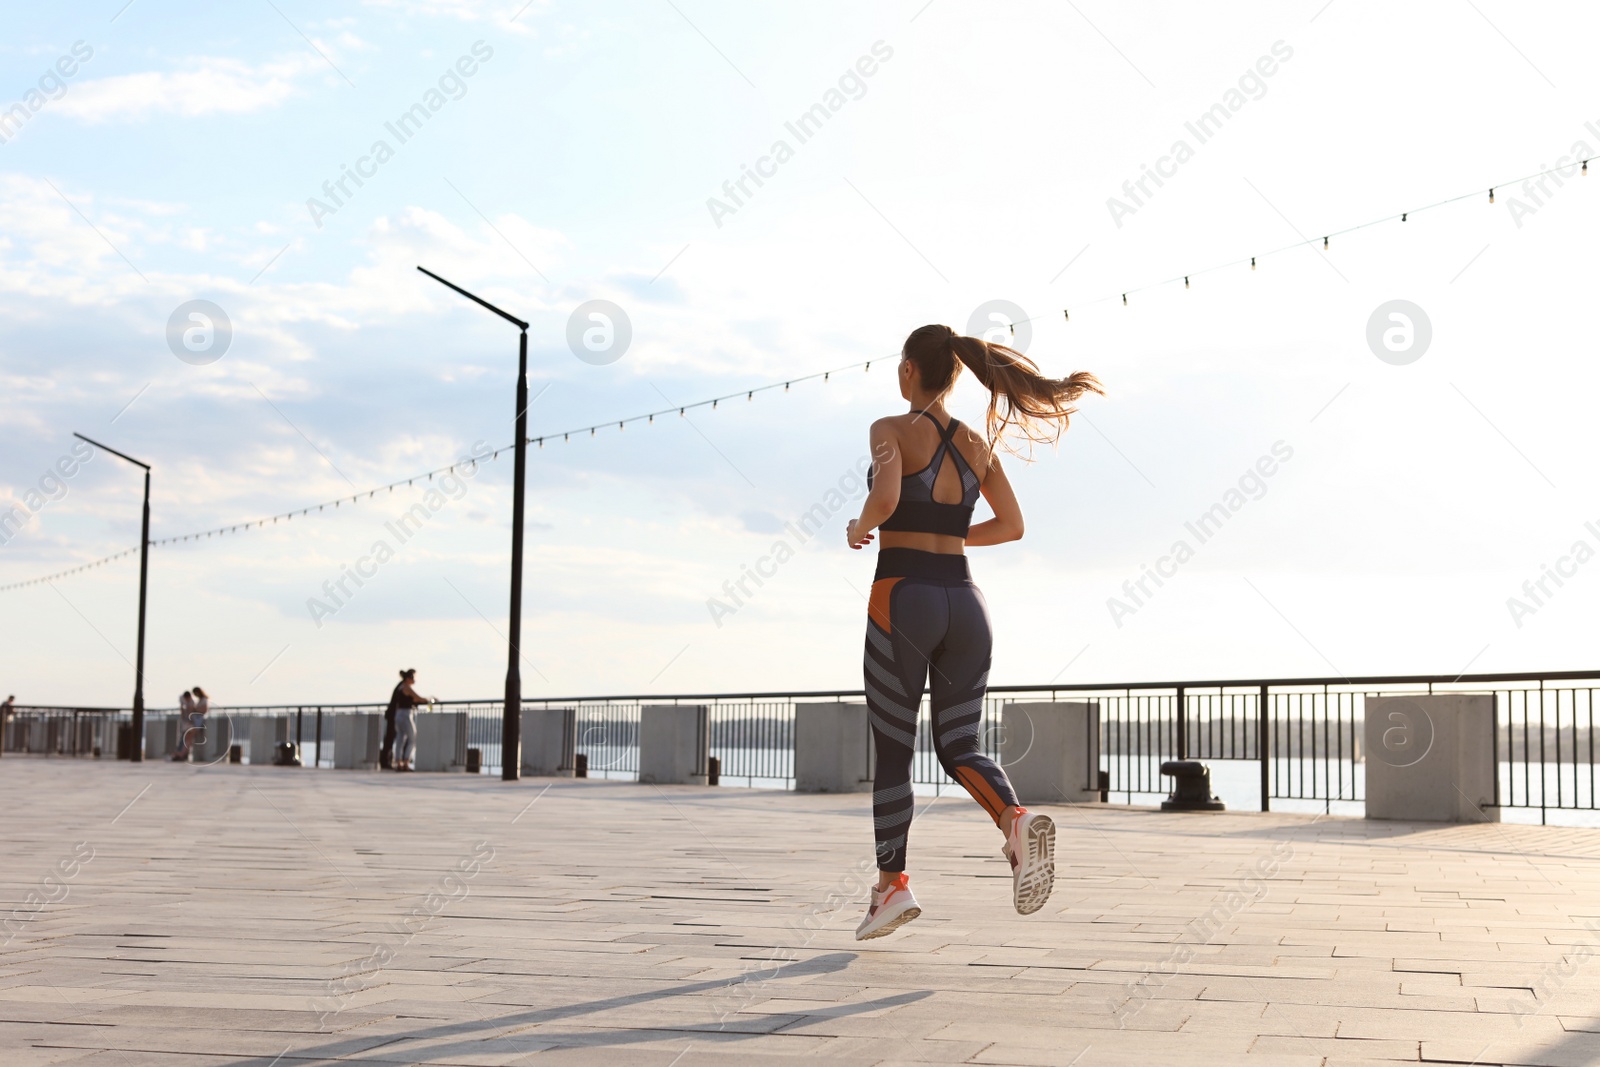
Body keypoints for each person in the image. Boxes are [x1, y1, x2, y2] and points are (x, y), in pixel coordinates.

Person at [846, 323, 1102, 940]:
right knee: (959, 744)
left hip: (902, 599)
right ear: (956, 374)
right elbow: (1011, 525)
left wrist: (860, 525)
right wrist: (954, 536)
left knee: (894, 751)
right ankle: (1014, 822)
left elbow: (884, 500)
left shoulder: (889, 431)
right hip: (967, 604)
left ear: (909, 369)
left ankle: (893, 887)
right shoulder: (976, 445)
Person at [389, 670, 432, 772]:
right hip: (406, 714)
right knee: (412, 738)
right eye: (413, 678)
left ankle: (398, 762)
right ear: (408, 679)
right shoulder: (407, 688)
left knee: (400, 738)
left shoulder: (400, 688)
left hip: (398, 714)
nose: (414, 680)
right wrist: (430, 699)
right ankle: (406, 762)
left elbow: (414, 699)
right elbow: (418, 698)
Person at [170, 689, 198, 761]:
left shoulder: (191, 702)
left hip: (189, 723)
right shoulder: (187, 701)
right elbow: (185, 711)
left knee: (186, 739)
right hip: (188, 723)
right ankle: (182, 754)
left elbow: (189, 712)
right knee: (185, 739)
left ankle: (181, 754)